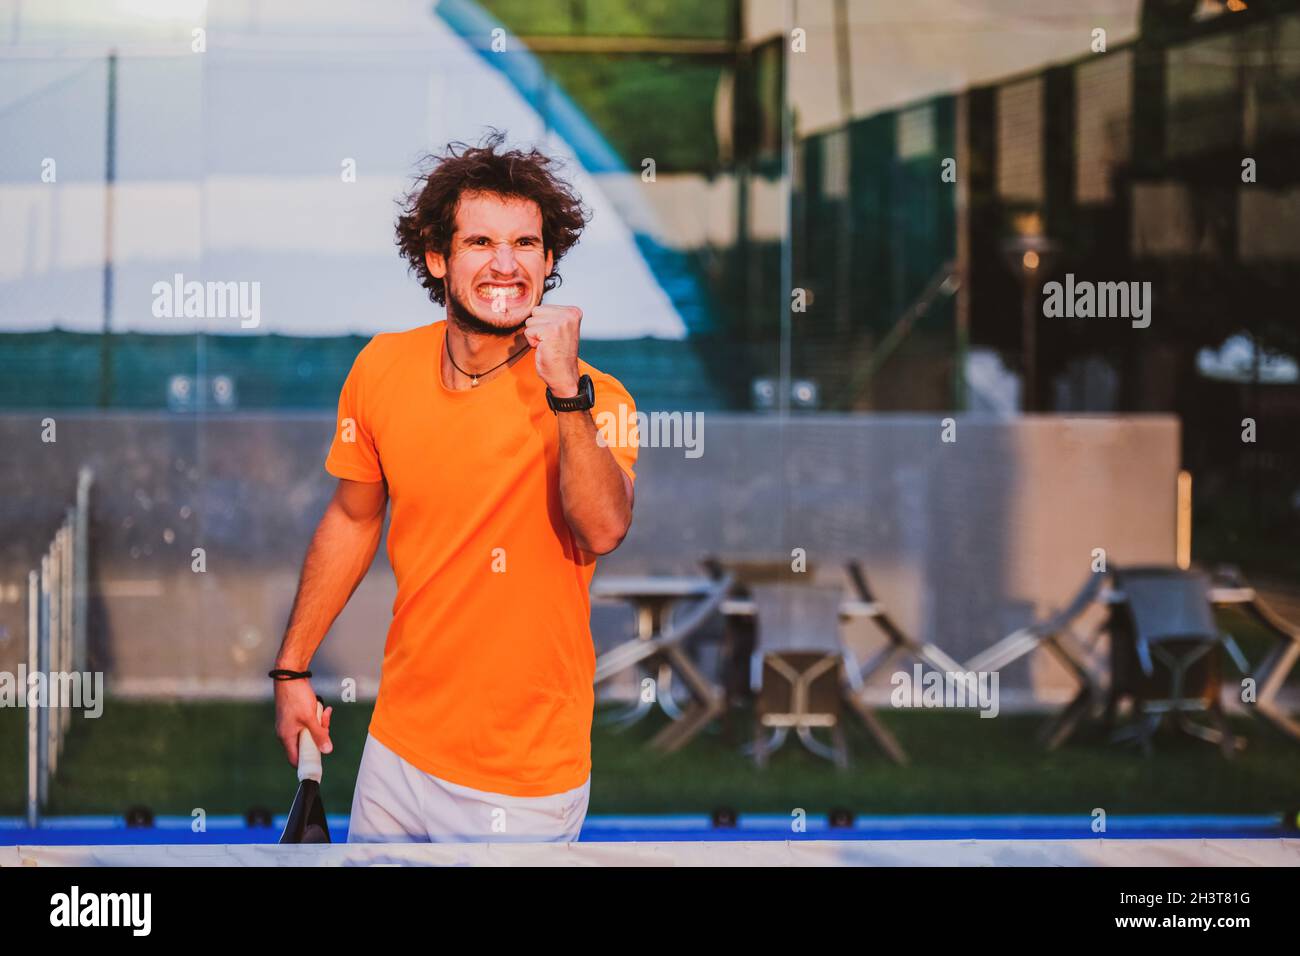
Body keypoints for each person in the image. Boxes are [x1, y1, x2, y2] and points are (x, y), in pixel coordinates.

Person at [270, 131, 637, 842]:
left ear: (549, 260)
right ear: (438, 258)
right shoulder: (381, 369)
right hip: (397, 753)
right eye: (480, 243)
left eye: (526, 244)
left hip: (525, 778)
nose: (506, 265)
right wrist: (291, 670)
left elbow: (603, 531)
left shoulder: (598, 400)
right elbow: (351, 519)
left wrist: (566, 392)